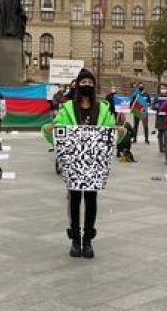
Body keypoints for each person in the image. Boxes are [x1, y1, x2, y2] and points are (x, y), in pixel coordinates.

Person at [42, 68, 120, 259]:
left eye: (89, 83)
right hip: (74, 163)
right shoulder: (67, 108)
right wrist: (52, 128)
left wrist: (119, 130)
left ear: (93, 86)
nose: (86, 85)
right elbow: (58, 128)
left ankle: (88, 240)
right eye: (83, 82)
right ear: (77, 85)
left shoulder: (102, 108)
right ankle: (75, 239)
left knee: (91, 200)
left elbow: (110, 131)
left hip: (94, 163)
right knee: (75, 199)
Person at [153, 86, 167, 154]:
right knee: (160, 134)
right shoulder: (157, 97)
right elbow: (153, 106)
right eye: (162, 88)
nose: (163, 89)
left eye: (164, 88)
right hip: (159, 117)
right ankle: (161, 148)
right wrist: (157, 107)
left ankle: (165, 147)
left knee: (166, 134)